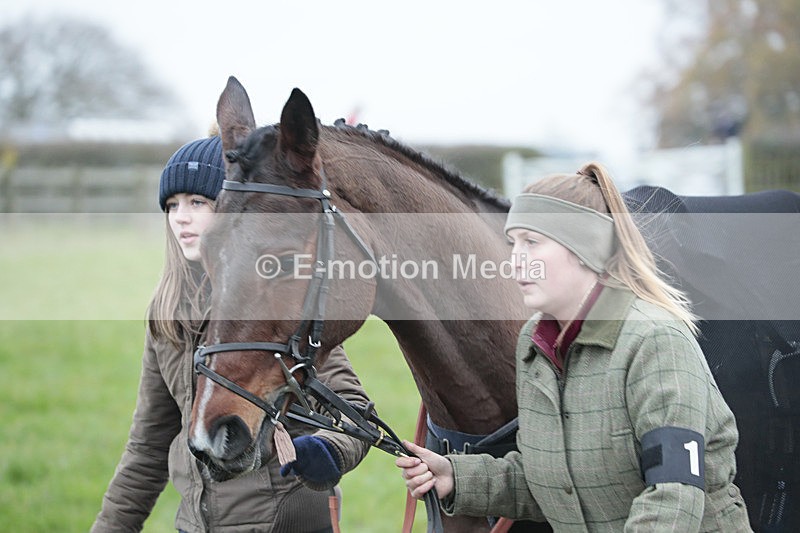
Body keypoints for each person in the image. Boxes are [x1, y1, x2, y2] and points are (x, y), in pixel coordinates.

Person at [397, 162, 752, 531]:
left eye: (532, 242)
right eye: (513, 243)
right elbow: (554, 481)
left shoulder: (655, 339)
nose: (514, 259)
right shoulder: (534, 345)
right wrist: (456, 477)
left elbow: (674, 496)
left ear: (584, 248)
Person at [92, 134, 371, 533]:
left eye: (197, 203)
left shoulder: (277, 302)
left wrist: (329, 450)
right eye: (172, 205)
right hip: (196, 525)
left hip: (284, 523)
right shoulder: (168, 313)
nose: (181, 217)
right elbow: (147, 448)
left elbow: (352, 408)